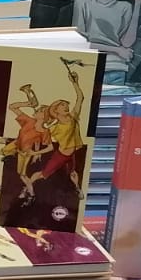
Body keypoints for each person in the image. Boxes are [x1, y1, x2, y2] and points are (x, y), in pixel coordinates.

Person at [21, 68, 86, 201]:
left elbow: (80, 98)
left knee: (73, 172)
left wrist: (75, 82)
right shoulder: (53, 127)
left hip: (72, 154)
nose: (66, 107)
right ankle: (26, 188)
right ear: (56, 110)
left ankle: (78, 188)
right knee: (42, 174)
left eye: (66, 105)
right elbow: (39, 124)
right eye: (62, 105)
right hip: (61, 155)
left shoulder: (73, 116)